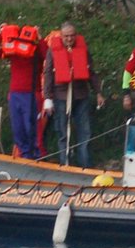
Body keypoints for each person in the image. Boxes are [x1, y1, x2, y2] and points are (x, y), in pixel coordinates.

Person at [42, 21, 105, 167]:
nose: (69, 39)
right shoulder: (53, 50)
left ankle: (85, 166)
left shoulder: (82, 49)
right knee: (63, 134)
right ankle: (65, 165)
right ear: (61, 36)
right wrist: (47, 98)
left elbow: (91, 72)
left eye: (72, 36)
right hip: (61, 97)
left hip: (81, 96)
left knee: (85, 132)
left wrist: (98, 93)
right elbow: (48, 74)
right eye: (66, 36)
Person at [0, 22, 46, 159]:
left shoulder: (36, 48)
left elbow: (49, 56)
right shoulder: (13, 51)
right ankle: (25, 157)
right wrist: (0, 35)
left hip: (32, 94)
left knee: (32, 130)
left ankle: (38, 158)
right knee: (18, 129)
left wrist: (40, 38)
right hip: (15, 94)